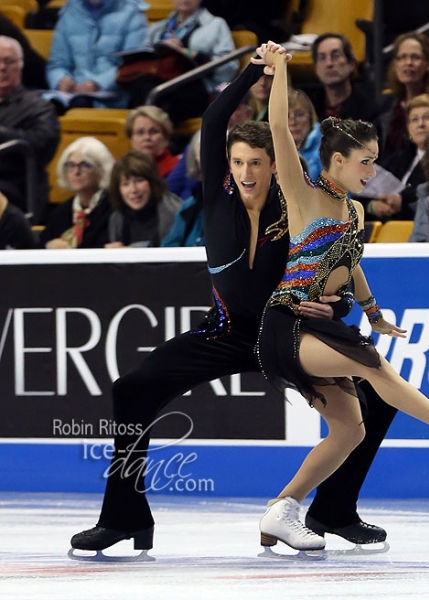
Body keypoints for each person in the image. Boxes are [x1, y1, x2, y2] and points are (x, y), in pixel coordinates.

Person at [70, 52, 396, 559]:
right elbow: (214, 119)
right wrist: (254, 72)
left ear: (276, 166)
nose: (246, 172)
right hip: (222, 333)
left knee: (377, 401)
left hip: (284, 333)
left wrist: (341, 308)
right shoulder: (216, 195)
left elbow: (336, 266)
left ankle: (333, 509)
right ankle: (124, 515)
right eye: (239, 162)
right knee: (132, 390)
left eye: (258, 163)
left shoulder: (297, 209)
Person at [255, 42, 429, 553]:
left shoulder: (353, 212)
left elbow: (351, 266)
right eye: (365, 162)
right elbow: (279, 129)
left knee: (349, 430)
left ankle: (282, 509)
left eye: (374, 161)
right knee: (370, 363)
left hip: (320, 326)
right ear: (338, 160)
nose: (373, 171)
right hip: (286, 324)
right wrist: (280, 69)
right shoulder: (303, 194)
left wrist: (373, 311)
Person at [130, 0, 238, 123]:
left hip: (196, 85)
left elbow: (229, 66)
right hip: (161, 80)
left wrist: (189, 53)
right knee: (140, 84)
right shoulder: (158, 29)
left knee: (163, 94)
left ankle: (159, 134)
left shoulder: (216, 25)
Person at [0, 36, 60, 223]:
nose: (2, 67)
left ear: (20, 66)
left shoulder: (39, 107)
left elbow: (42, 143)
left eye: (8, 61)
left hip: (16, 188)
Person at [46, 0, 148, 109]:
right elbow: (57, 63)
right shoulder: (69, 12)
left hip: (115, 97)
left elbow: (132, 65)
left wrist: (98, 83)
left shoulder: (132, 13)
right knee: (43, 109)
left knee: (80, 106)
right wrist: (60, 80)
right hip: (74, 94)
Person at [365, 93, 429, 221]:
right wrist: (371, 206)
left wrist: (402, 201)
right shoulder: (397, 158)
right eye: (414, 119)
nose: (420, 124)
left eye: (427, 117)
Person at [375, 32, 429, 157]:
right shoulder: (386, 105)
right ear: (395, 64)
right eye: (402, 57)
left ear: (428, 64)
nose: (408, 63)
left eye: (415, 57)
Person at [41, 137, 114, 249]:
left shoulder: (113, 209)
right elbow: (39, 246)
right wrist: (48, 247)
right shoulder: (61, 212)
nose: (76, 172)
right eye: (71, 165)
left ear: (101, 169)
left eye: (85, 165)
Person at [106, 151, 182, 248]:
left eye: (139, 181)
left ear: (152, 182)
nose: (133, 190)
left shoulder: (174, 211)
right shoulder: (117, 218)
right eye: (125, 184)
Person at [307, 33, 377, 123]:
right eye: (322, 58)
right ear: (316, 69)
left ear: (351, 64)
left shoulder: (369, 107)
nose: (329, 63)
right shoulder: (309, 107)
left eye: (335, 55)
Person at [161, 130, 204, 246]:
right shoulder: (189, 206)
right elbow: (169, 246)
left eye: (217, 152)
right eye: (203, 153)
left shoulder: (242, 203)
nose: (209, 158)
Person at [126, 106, 180, 178]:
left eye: (153, 132)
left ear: (166, 137)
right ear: (131, 138)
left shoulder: (177, 168)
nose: (147, 137)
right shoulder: (123, 169)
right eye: (140, 132)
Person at [288, 88, 322, 181]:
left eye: (299, 115)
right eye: (286, 116)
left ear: (310, 117)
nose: (293, 122)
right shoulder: (271, 150)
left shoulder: (327, 149)